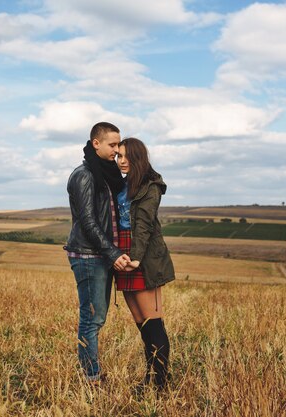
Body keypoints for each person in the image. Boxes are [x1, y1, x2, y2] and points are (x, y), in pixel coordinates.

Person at [65, 122, 132, 383]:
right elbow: (88, 221)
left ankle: (89, 371)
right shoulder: (84, 175)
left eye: (118, 145)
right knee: (91, 318)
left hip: (100, 255)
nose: (116, 150)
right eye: (112, 145)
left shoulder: (104, 174)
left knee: (97, 317)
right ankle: (91, 376)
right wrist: (113, 253)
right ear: (96, 143)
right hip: (88, 255)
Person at [115, 137, 175, 391]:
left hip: (143, 255)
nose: (122, 160)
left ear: (139, 158)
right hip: (123, 253)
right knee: (141, 322)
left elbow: (144, 224)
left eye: (127, 156)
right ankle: (151, 376)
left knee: (153, 322)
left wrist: (136, 258)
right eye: (118, 155)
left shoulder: (151, 186)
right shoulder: (122, 184)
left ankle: (159, 382)